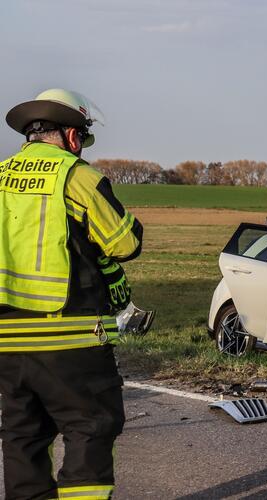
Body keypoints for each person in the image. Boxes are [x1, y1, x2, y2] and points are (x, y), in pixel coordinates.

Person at [0, 89, 143, 500]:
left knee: (22, 435)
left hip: (7, 342)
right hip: (69, 336)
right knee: (91, 426)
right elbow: (124, 243)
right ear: (73, 136)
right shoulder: (76, 176)